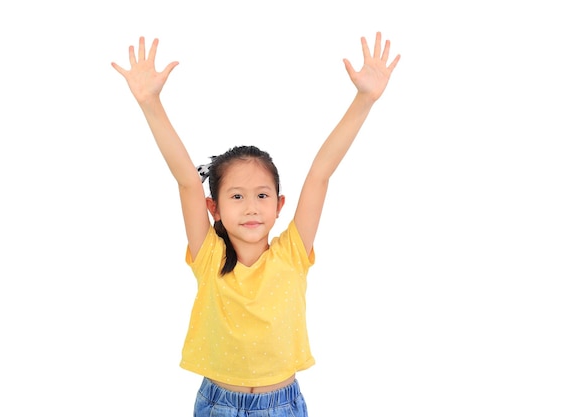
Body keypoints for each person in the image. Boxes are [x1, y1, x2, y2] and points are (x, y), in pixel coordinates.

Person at [112, 32, 400, 417]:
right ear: (213, 207)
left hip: (281, 405)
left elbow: (320, 174)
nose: (251, 207)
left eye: (262, 195)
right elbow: (185, 179)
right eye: (236, 196)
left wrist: (364, 100)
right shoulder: (208, 254)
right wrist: (150, 103)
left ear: (280, 205)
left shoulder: (292, 253)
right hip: (218, 404)